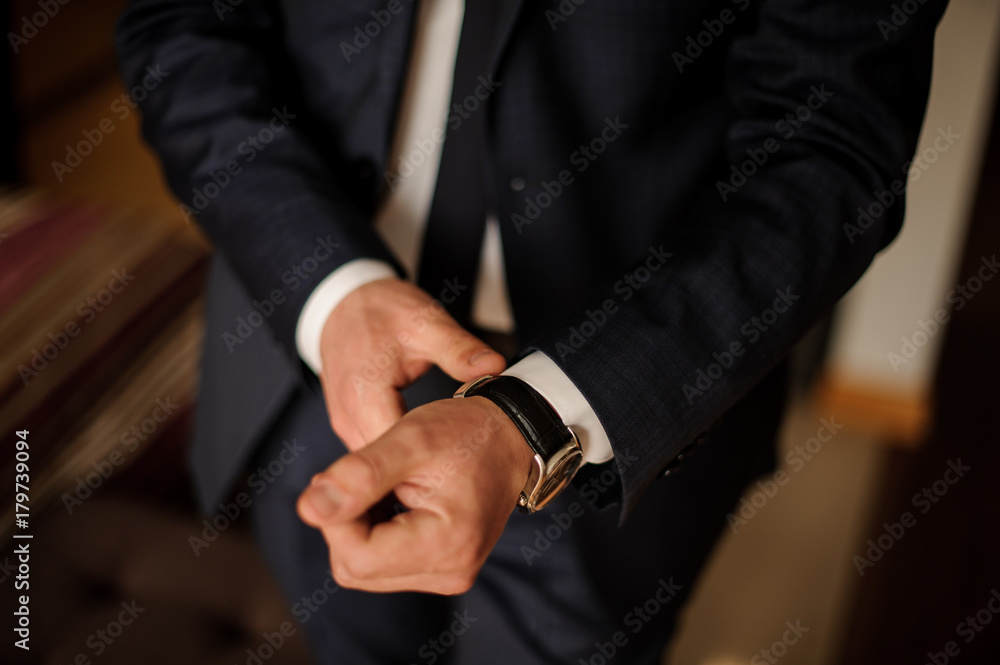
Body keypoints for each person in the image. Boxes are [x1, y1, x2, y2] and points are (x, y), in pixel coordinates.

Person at [116, 0, 948, 662]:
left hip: (623, 400)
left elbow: (830, 144)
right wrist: (334, 293)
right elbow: (180, 26)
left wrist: (535, 418)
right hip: (305, 363)